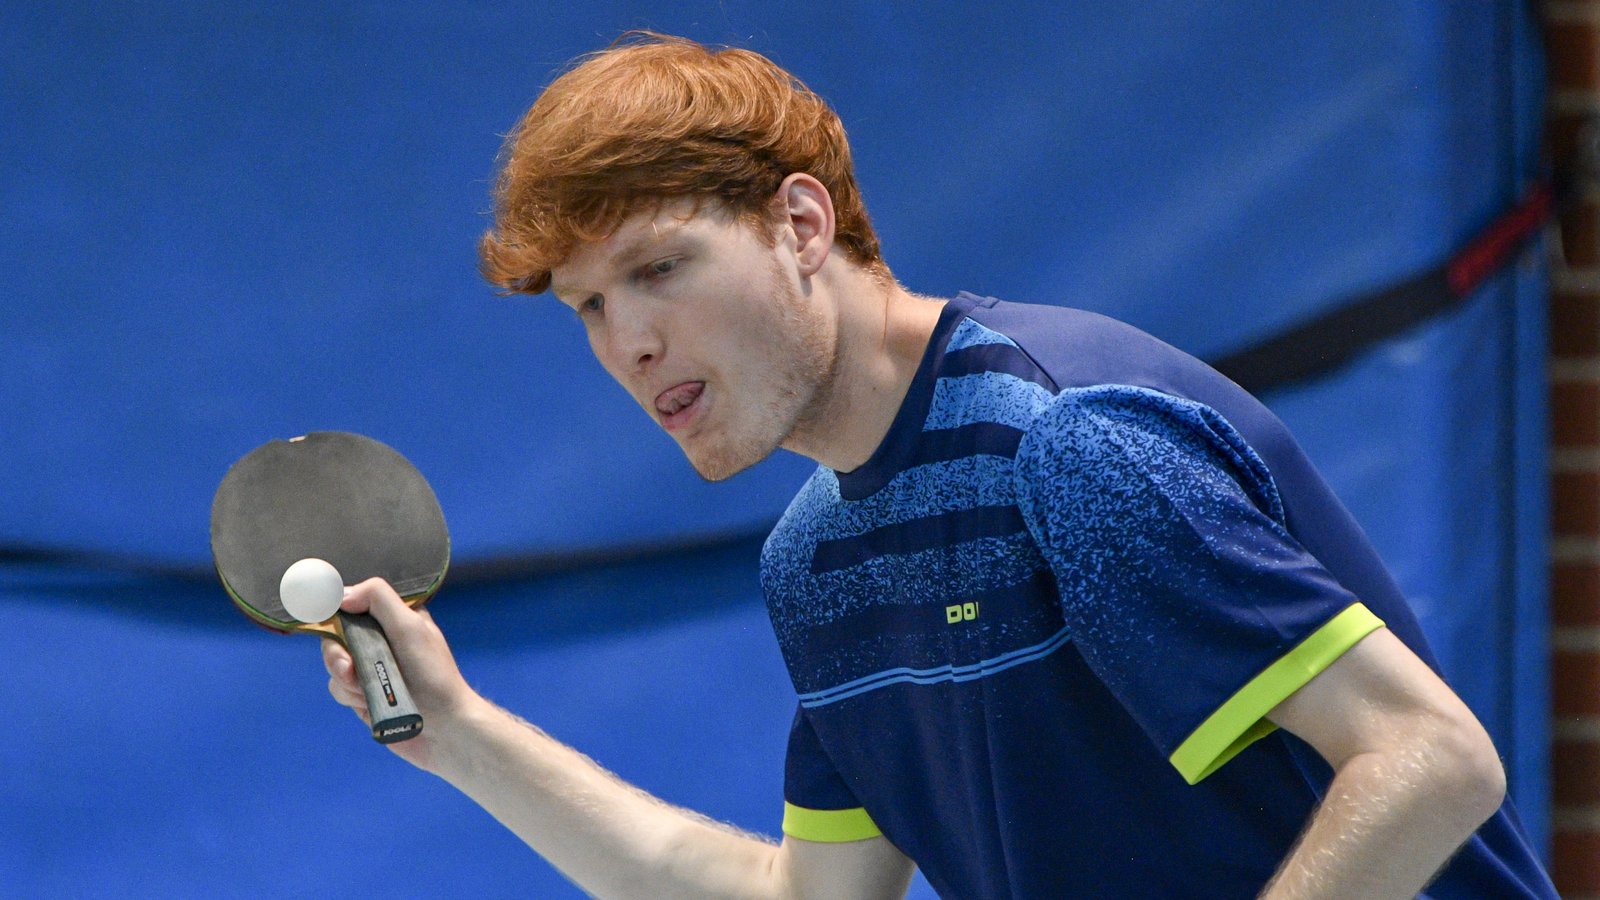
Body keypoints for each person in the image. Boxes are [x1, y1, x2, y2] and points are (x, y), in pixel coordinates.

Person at [323, 32, 1558, 898]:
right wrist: (464, 736)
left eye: (659, 268)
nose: (631, 341)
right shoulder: (818, 560)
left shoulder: (1070, 444)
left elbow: (1430, 761)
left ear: (801, 225)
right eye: (587, 306)